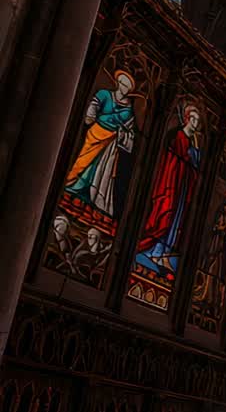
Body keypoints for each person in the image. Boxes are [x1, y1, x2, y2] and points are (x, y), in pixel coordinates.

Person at [136, 105, 202, 272]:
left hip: (183, 187)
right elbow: (168, 160)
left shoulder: (194, 146)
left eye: (197, 121)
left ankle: (163, 252)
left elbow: (194, 168)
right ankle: (155, 251)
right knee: (165, 214)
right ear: (186, 119)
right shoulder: (176, 136)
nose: (195, 123)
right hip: (170, 183)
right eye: (192, 119)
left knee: (177, 220)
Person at [65, 70, 138, 217]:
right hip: (96, 133)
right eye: (123, 84)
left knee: (99, 170)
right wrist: (91, 115)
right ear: (118, 83)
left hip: (111, 142)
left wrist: (123, 135)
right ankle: (70, 185)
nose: (124, 88)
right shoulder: (105, 94)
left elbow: (130, 131)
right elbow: (93, 107)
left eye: (127, 87)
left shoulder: (129, 109)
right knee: (83, 162)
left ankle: (87, 196)